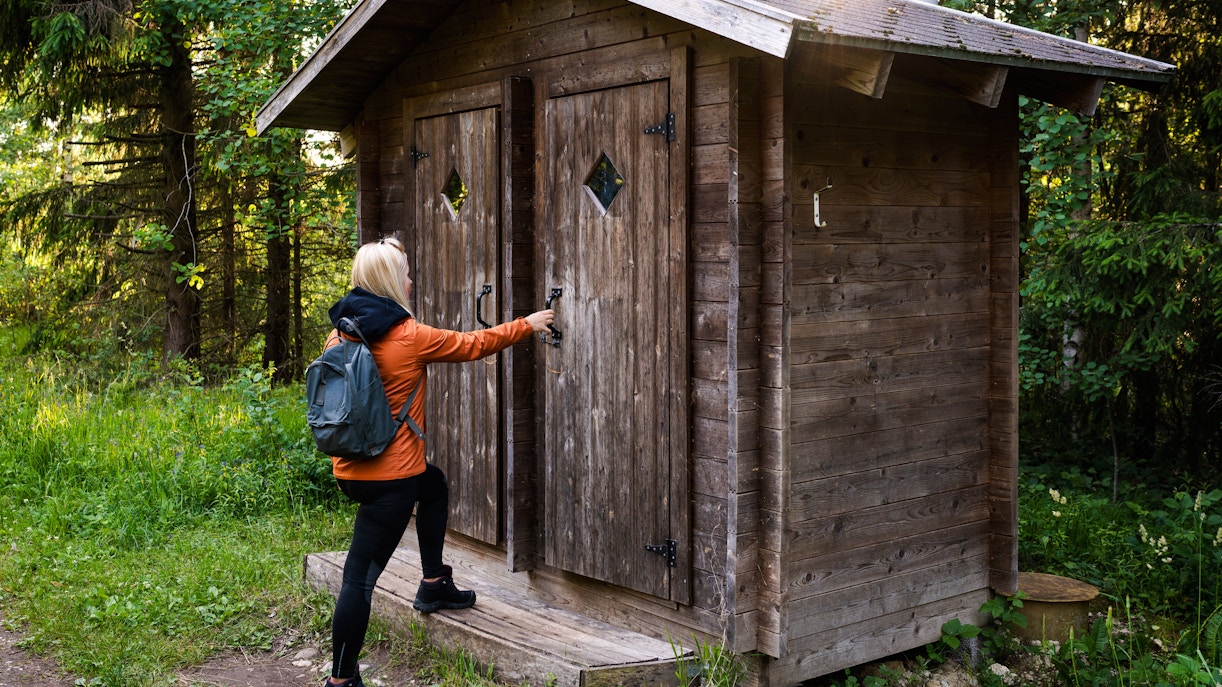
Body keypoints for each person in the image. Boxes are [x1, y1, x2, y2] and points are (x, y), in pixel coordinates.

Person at [321, 237, 554, 687]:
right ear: (390, 281)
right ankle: (341, 680)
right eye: (405, 272)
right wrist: (526, 324)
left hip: (349, 469)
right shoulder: (408, 336)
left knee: (435, 484)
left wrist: (393, 246)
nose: (410, 280)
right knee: (358, 581)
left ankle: (433, 583)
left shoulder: (341, 330)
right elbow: (473, 343)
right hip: (390, 482)